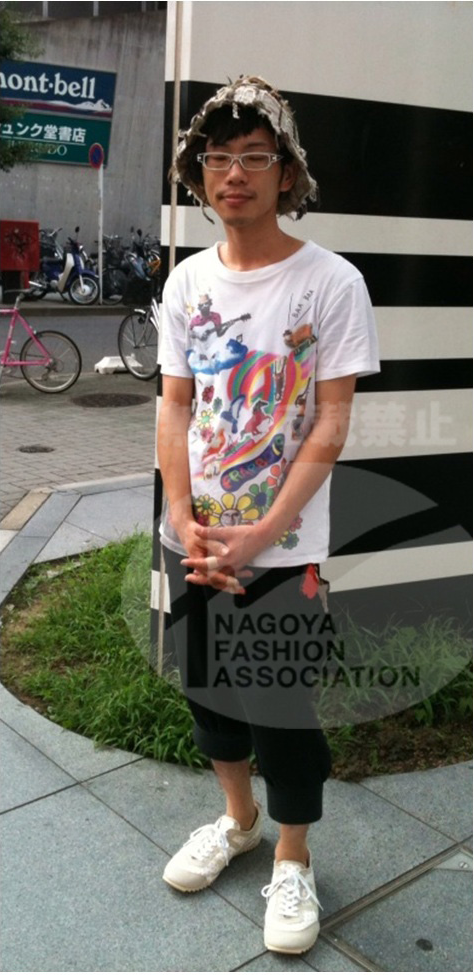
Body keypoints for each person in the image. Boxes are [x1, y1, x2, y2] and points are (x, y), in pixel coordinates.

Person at [157, 76, 380, 954]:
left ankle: (292, 857)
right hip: (194, 539)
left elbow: (330, 423)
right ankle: (238, 820)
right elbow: (175, 406)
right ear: (198, 174)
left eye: (254, 156)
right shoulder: (186, 282)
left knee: (282, 706)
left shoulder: (330, 282)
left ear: (286, 172)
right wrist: (182, 515)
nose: (233, 174)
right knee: (210, 694)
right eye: (217, 157)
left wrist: (259, 533)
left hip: (282, 548)